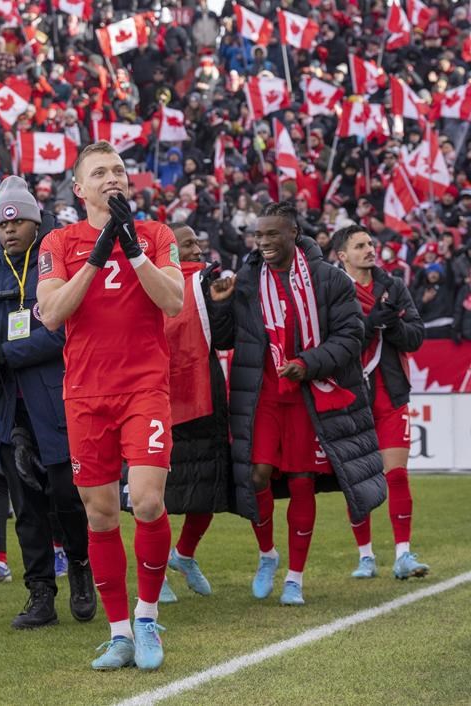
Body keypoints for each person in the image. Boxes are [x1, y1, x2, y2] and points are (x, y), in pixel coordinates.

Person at [36, 141, 184, 672]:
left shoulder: (157, 234)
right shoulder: (58, 240)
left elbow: (174, 300)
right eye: (99, 172)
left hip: (144, 387)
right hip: (86, 395)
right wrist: (101, 250)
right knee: (99, 516)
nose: (112, 177)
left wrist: (132, 247)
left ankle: (146, 619)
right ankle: (119, 632)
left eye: (119, 170)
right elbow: (52, 313)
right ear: (80, 189)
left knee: (145, 502)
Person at [206, 202, 385, 608]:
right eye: (258, 235)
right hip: (264, 394)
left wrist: (307, 364)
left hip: (309, 392)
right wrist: (219, 305)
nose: (263, 242)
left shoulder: (329, 280)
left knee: (303, 480)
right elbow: (225, 340)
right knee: (257, 476)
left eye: (272, 234)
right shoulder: (248, 278)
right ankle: (268, 555)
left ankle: (295, 578)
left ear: (293, 233)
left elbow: (351, 337)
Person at [0, 176, 96, 629]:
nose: (9, 230)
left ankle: (81, 569)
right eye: (2, 225)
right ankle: (40, 594)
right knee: (27, 509)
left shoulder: (57, 259)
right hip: (6, 405)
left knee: (67, 497)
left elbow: (62, 331)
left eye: (18, 221)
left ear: (34, 221)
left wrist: (2, 354)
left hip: (57, 400)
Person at [331, 225, 429, 580]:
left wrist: (394, 328)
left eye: (371, 243)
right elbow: (335, 344)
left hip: (391, 392)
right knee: (357, 481)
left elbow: (417, 336)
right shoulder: (334, 290)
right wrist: (370, 326)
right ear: (342, 255)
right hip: (352, 396)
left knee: (397, 475)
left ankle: (404, 554)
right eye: (360, 246)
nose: (370, 250)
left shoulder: (394, 286)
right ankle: (366, 556)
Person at [155, 223, 233, 603]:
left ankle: (184, 555)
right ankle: (157, 574)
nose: (197, 249)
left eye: (199, 242)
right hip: (159, 396)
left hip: (207, 394)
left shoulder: (208, 285)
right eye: (188, 244)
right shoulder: (151, 284)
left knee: (210, 487)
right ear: (170, 251)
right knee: (159, 496)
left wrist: (219, 305)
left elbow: (225, 338)